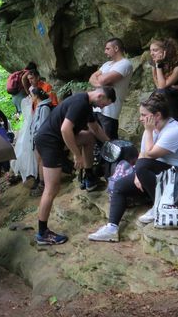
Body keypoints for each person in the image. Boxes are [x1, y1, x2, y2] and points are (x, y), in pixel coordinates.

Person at [88, 93, 178, 242]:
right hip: (161, 174)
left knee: (142, 165)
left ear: (157, 115)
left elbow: (150, 154)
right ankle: (112, 228)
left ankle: (159, 206)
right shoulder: (151, 129)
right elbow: (142, 154)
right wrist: (137, 175)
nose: (141, 118)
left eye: (144, 115)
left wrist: (148, 132)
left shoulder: (174, 131)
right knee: (120, 185)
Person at [33, 87, 115, 245]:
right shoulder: (80, 103)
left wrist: (111, 144)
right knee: (52, 188)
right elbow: (65, 129)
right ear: (100, 96)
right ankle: (42, 233)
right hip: (50, 141)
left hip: (55, 139)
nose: (103, 107)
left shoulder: (87, 105)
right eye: (105, 104)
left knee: (88, 137)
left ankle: (89, 177)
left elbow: (95, 129)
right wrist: (77, 155)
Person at [89, 38, 134, 139]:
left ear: (116, 48)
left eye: (107, 48)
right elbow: (91, 78)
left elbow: (103, 80)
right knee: (94, 142)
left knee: (109, 143)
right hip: (96, 108)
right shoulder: (106, 64)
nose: (105, 52)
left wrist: (100, 79)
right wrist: (101, 82)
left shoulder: (125, 64)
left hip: (110, 111)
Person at [29, 87, 54, 197]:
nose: (30, 98)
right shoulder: (40, 107)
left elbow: (43, 125)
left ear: (36, 96)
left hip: (41, 138)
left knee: (41, 161)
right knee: (39, 161)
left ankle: (43, 185)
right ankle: (42, 183)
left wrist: (38, 138)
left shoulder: (44, 108)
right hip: (37, 138)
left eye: (31, 95)